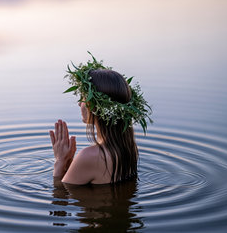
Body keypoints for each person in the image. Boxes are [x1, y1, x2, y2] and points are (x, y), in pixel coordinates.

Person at [49, 53, 152, 184]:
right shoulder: (128, 148)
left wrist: (59, 162)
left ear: (93, 106)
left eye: (83, 98)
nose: (79, 104)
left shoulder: (90, 156)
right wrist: (69, 162)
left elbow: (61, 196)